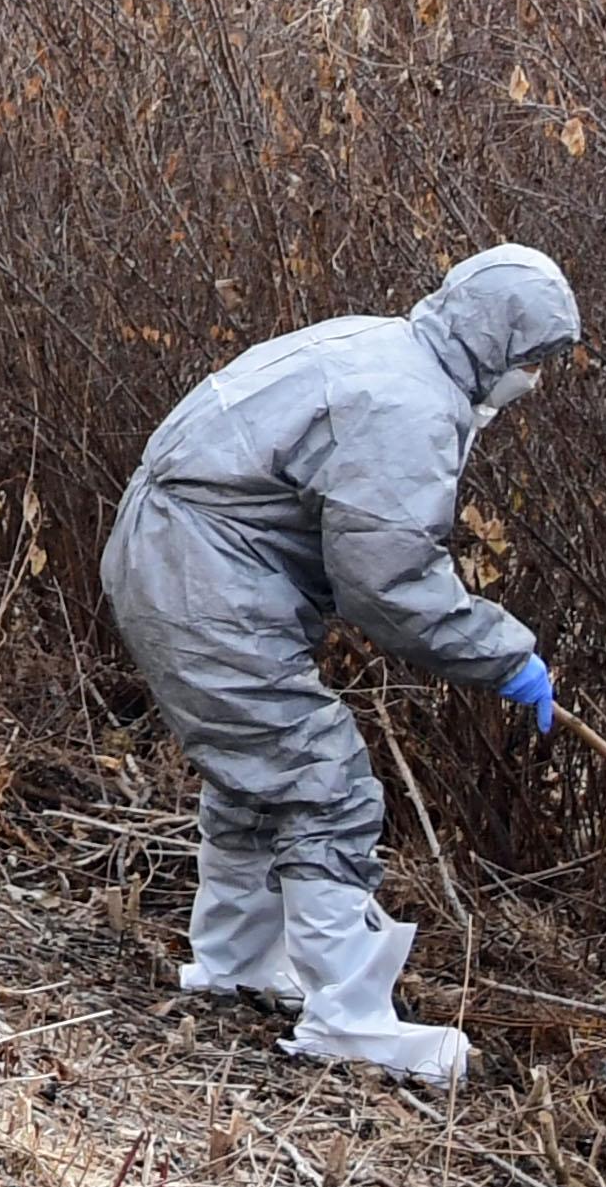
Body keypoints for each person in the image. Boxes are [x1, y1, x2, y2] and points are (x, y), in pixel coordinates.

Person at [100, 244, 579, 1087]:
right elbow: (387, 579)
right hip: (201, 575)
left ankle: (237, 965)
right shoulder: (412, 403)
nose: (533, 384)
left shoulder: (377, 345)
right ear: (499, 342)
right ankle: (349, 1018)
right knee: (322, 778)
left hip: (175, 556)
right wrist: (505, 654)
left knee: (262, 770)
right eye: (533, 363)